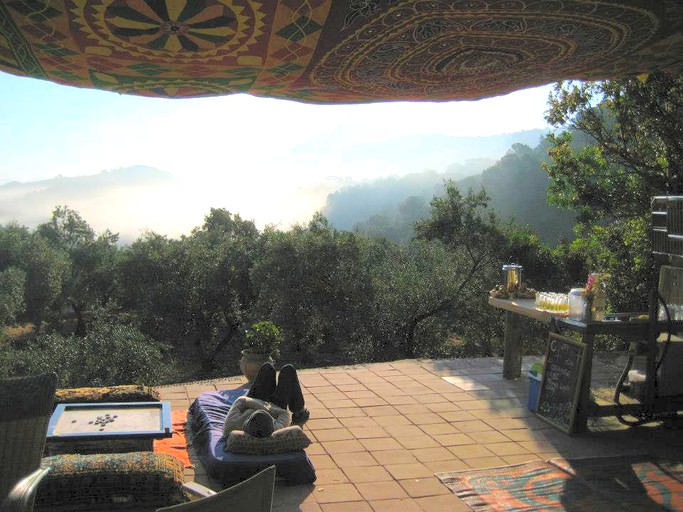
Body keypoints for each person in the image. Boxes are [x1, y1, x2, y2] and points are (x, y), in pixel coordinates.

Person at [223, 363, 310, 438]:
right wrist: (267, 408)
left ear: (246, 422)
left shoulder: (232, 426)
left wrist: (263, 407)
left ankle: (299, 411)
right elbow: (284, 413)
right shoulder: (276, 429)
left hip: (255, 399)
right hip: (276, 407)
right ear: (271, 426)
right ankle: (300, 414)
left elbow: (241, 401)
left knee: (267, 368)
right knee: (288, 370)